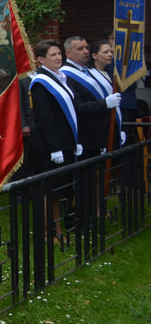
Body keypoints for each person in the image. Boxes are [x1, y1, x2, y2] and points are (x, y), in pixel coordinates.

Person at [28, 39, 80, 239]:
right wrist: (54, 148)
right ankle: (50, 232)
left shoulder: (60, 77)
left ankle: (58, 230)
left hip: (64, 142)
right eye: (53, 55)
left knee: (59, 190)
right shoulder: (41, 82)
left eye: (59, 54)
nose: (58, 58)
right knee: (50, 190)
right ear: (41, 59)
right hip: (49, 145)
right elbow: (45, 117)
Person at [62, 36, 121, 159]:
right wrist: (104, 104)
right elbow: (78, 107)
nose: (86, 51)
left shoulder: (87, 71)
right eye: (80, 49)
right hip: (86, 136)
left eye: (86, 48)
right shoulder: (66, 75)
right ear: (68, 53)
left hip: (100, 133)